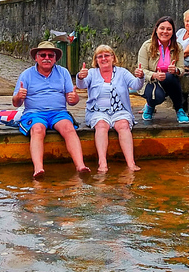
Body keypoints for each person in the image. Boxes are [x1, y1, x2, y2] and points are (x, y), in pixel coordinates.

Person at [13, 41, 91, 178]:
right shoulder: (26, 75)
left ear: (55, 58)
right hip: (34, 113)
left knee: (69, 128)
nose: (46, 58)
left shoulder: (63, 72)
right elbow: (15, 103)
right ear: (36, 58)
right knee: (37, 129)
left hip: (58, 112)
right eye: (42, 55)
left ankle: (80, 166)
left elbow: (72, 101)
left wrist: (74, 98)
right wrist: (19, 96)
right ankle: (38, 169)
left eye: (50, 55)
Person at [76, 45, 145, 172]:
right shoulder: (91, 73)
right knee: (101, 125)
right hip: (97, 111)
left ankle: (131, 163)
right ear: (96, 60)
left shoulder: (122, 72)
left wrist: (140, 77)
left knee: (123, 125)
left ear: (113, 57)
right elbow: (81, 85)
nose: (104, 58)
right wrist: (80, 77)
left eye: (107, 55)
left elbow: (136, 85)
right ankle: (102, 163)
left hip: (120, 110)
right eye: (100, 56)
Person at [137, 16, 189, 124]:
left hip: (169, 81)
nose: (165, 32)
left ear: (173, 32)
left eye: (169, 29)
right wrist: (155, 75)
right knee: (157, 97)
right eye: (162, 28)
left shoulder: (178, 47)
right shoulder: (147, 46)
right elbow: (142, 70)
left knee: (169, 76)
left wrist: (175, 70)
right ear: (156, 30)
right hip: (151, 81)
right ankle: (150, 106)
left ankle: (179, 109)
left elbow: (181, 69)